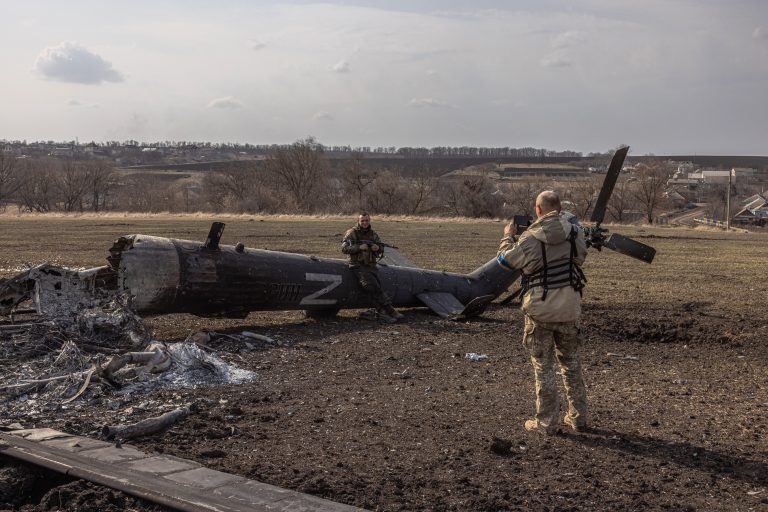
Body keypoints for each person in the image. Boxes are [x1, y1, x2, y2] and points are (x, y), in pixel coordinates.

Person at [497, 191, 589, 434]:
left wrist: (508, 238)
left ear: (538, 210)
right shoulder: (576, 233)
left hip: (540, 310)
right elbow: (580, 258)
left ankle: (547, 423)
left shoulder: (528, 238)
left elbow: (506, 262)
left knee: (543, 366)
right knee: (572, 364)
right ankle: (579, 418)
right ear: (559, 209)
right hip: (570, 307)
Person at [341, 212, 404, 323]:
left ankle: (383, 311)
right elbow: (344, 249)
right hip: (357, 265)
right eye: (362, 221)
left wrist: (377, 248)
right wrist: (359, 247)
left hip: (371, 265)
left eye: (367, 220)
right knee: (370, 286)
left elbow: (381, 247)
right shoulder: (352, 233)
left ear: (369, 221)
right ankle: (389, 310)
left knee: (377, 287)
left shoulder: (373, 234)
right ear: (358, 221)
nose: (365, 223)